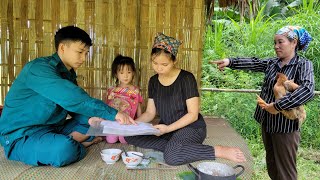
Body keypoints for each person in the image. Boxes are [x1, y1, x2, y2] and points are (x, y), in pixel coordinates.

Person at [0, 26, 135, 167]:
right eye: (80, 52)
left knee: (97, 125)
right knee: (63, 150)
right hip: (22, 134)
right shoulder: (38, 69)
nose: (83, 58)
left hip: (53, 128)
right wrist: (114, 113)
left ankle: (72, 139)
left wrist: (89, 119)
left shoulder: (69, 74)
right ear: (63, 48)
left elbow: (75, 109)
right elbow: (73, 99)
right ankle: (79, 143)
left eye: (86, 53)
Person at [123, 32, 246, 166]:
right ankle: (176, 146)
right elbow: (149, 113)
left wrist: (168, 129)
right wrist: (131, 125)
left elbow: (193, 115)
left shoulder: (186, 78)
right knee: (129, 136)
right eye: (155, 63)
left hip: (191, 128)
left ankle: (218, 150)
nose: (159, 68)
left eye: (164, 64)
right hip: (168, 130)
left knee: (171, 157)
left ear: (174, 61)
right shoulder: (153, 81)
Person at [212, 26, 314, 180]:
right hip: (267, 122)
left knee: (286, 171)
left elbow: (307, 91)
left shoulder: (303, 65)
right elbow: (253, 62)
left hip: (285, 127)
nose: (276, 46)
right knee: (272, 166)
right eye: (275, 42)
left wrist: (277, 106)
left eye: (280, 42)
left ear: (294, 43)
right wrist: (229, 61)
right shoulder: (272, 63)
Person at [105, 55, 143, 144]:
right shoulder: (111, 90)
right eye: (121, 73)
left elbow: (138, 107)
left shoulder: (135, 90)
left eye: (129, 72)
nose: (125, 76)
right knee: (111, 140)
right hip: (114, 123)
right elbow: (107, 107)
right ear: (116, 74)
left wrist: (140, 125)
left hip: (128, 123)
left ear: (133, 72)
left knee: (124, 140)